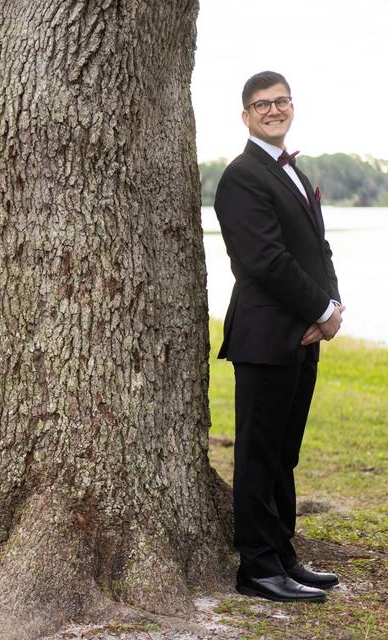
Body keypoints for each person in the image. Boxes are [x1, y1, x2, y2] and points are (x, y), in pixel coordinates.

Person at [214, 71, 342, 603]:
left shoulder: (292, 171)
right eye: (261, 104)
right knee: (259, 455)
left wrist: (333, 306)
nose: (273, 110)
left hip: (304, 335)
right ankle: (258, 568)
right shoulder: (242, 176)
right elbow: (266, 261)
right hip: (266, 334)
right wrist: (318, 306)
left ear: (292, 106)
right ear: (246, 115)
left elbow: (319, 248)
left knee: (284, 453)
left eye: (281, 101)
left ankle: (284, 553)